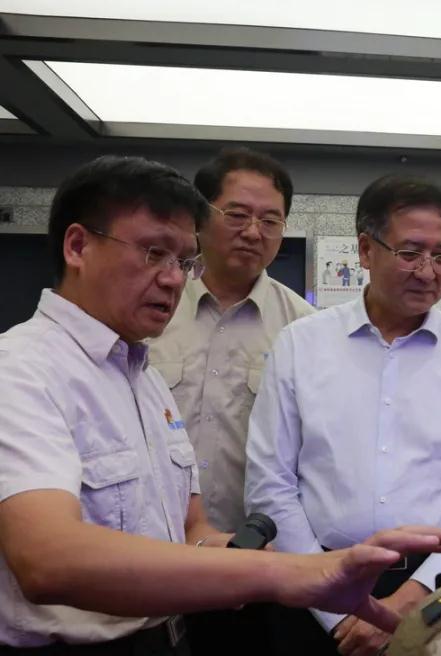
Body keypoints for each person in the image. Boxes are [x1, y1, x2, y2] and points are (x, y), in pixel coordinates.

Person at [0, 156, 441, 654]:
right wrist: (284, 573)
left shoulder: (142, 376)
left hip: (170, 631)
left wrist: (304, 562)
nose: (173, 279)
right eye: (154, 253)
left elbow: (191, 528)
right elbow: (47, 559)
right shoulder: (22, 369)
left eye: (183, 262)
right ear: (77, 246)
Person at [244, 174, 441, 656]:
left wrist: (414, 597)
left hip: (436, 594)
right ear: (365, 249)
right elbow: (270, 482)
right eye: (410, 253)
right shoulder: (301, 345)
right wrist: (334, 606)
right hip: (312, 591)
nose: (427, 271)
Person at [147, 146, 315, 652]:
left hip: (253, 565)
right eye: (237, 215)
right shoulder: (149, 308)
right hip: (147, 558)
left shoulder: (303, 330)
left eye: (271, 220)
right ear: (200, 217)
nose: (253, 232)